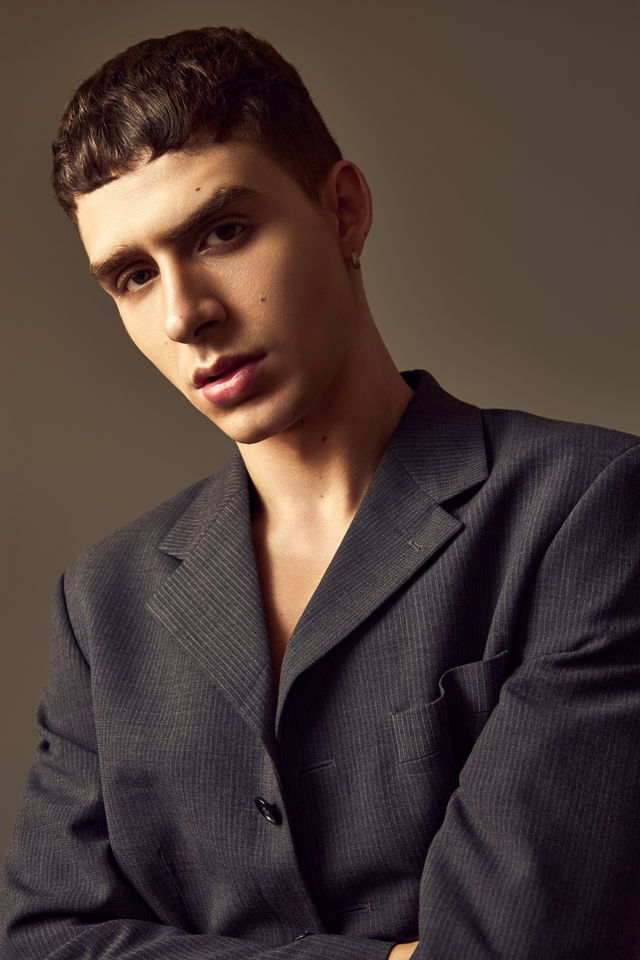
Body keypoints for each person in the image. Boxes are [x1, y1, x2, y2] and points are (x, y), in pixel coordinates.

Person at [1, 25, 639, 960]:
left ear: (343, 211)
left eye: (223, 233)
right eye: (134, 277)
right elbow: (43, 941)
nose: (184, 315)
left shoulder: (588, 508)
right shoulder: (105, 604)